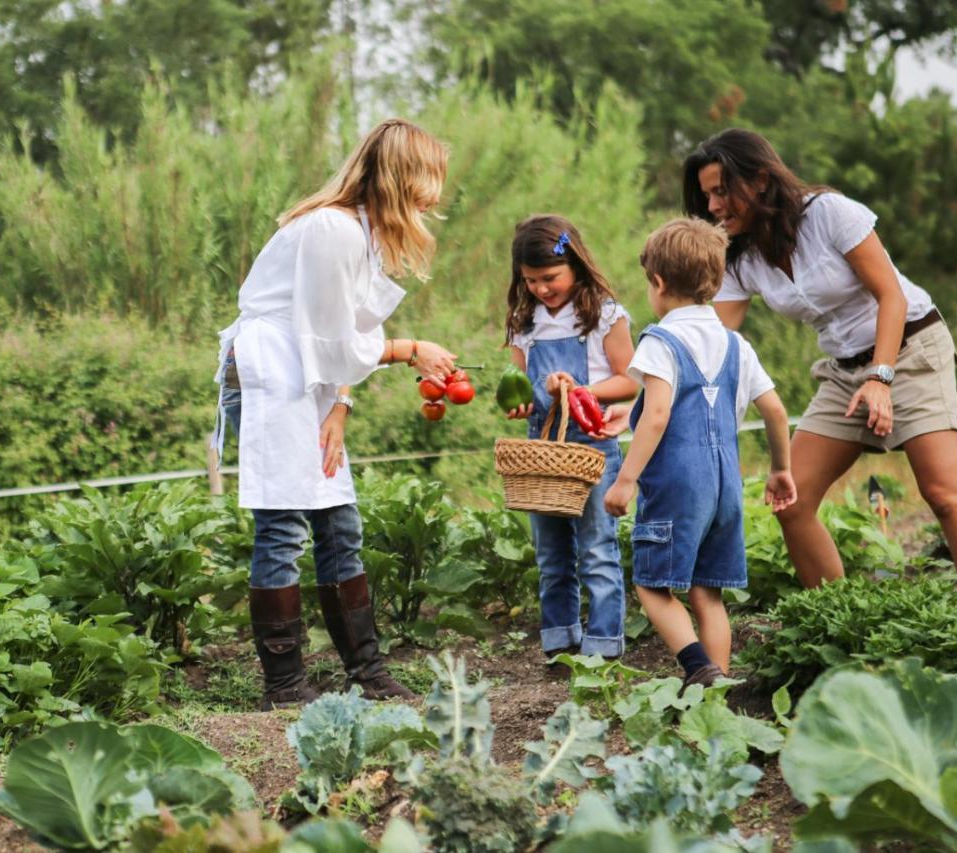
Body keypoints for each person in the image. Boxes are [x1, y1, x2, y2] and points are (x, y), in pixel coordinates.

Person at [684, 128, 957, 597]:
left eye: (721, 191)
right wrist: (660, 388)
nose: (712, 206)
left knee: (944, 494)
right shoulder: (739, 258)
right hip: (844, 370)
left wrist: (880, 377)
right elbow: (714, 339)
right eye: (707, 194)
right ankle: (842, 621)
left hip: (910, 349)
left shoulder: (828, 213)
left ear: (762, 180)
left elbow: (890, 295)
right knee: (791, 502)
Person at [215, 119, 459, 710]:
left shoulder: (363, 234)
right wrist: (408, 350)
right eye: (431, 179)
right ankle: (285, 685)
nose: (437, 195)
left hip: (311, 374)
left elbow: (345, 332)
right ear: (405, 177)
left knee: (339, 524)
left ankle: (365, 671)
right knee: (283, 525)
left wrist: (341, 405)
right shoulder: (332, 229)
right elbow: (332, 336)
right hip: (273, 371)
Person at [601, 218, 796, 686]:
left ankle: (697, 667)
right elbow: (775, 411)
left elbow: (660, 413)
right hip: (725, 484)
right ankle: (719, 687)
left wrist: (625, 479)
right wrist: (780, 469)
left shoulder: (660, 339)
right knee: (708, 593)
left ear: (659, 282)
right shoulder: (734, 343)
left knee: (651, 585)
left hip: (677, 485)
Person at [503, 215, 639, 665]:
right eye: (531, 280)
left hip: (592, 444)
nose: (542, 289)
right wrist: (522, 402)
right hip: (543, 448)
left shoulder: (602, 314)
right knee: (551, 552)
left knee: (597, 547)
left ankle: (602, 648)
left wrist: (581, 390)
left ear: (575, 265)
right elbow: (521, 387)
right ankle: (560, 641)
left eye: (550, 278)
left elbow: (629, 380)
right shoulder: (525, 323)